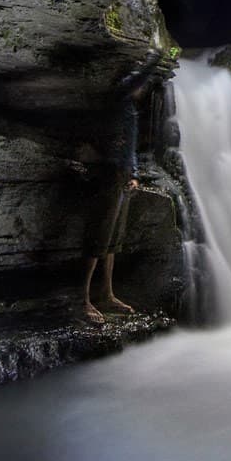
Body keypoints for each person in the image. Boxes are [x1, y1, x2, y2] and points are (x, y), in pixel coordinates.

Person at [82, 68, 154, 323]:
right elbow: (134, 80)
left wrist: (134, 175)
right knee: (98, 238)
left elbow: (130, 149)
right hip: (108, 174)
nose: (142, 89)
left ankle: (106, 293)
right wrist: (154, 58)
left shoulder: (131, 112)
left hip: (123, 177)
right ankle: (82, 298)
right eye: (138, 84)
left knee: (114, 239)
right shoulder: (116, 101)